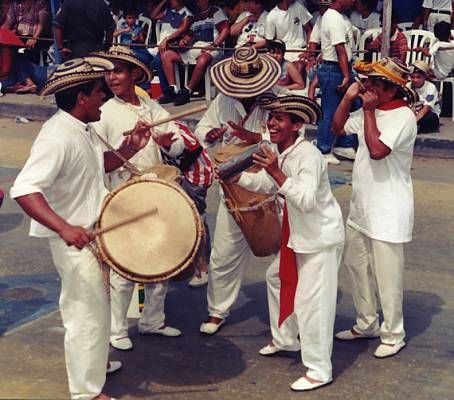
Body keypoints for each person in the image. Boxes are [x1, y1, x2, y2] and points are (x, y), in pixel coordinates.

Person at [10, 56, 154, 400]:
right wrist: (64, 229)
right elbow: (24, 188)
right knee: (85, 314)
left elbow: (95, 168)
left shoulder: (82, 128)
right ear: (81, 98)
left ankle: (94, 366)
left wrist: (129, 148)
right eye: (98, 92)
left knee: (97, 308)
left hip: (93, 233)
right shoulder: (57, 137)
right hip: (76, 240)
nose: (103, 98)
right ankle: (86, 393)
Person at [234, 94, 344, 391]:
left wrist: (274, 170)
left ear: (298, 125)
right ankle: (285, 339)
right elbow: (266, 185)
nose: (271, 123)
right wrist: (234, 177)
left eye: (279, 119)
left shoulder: (309, 156)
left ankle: (320, 369)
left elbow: (306, 200)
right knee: (275, 278)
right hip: (298, 236)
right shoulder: (281, 151)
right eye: (271, 117)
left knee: (313, 305)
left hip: (320, 238)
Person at [332, 57, 418, 359]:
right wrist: (347, 99)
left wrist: (367, 111)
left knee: (387, 275)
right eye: (365, 81)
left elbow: (378, 150)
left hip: (389, 209)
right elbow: (337, 127)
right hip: (362, 207)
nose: (366, 86)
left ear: (390, 89)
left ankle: (394, 334)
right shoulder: (373, 109)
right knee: (356, 267)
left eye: (373, 83)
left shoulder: (404, 116)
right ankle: (366, 323)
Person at [195, 46, 283, 335]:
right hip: (233, 185)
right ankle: (217, 310)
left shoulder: (278, 100)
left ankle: (288, 314)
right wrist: (209, 135)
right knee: (223, 254)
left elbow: (290, 137)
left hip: (269, 184)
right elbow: (202, 129)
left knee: (281, 251)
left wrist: (255, 137)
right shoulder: (224, 100)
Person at [159, 0, 229, 106]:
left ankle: (187, 91)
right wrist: (185, 41)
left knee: (202, 59)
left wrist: (214, 45)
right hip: (195, 47)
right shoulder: (196, 15)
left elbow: (225, 30)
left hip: (213, 47)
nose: (197, 2)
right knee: (166, 55)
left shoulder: (216, 11)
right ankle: (173, 89)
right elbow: (190, 34)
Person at [316, 0, 357, 165]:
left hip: (342, 67)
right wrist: (346, 75)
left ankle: (344, 143)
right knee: (330, 111)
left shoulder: (339, 17)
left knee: (353, 106)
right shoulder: (333, 18)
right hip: (335, 69)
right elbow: (339, 48)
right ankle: (323, 149)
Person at [408, 60, 440, 133]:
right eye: (412, 77)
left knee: (429, 118)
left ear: (424, 77)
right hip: (413, 113)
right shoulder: (409, 85)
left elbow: (425, 109)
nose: (415, 80)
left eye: (418, 77)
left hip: (427, 114)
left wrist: (412, 123)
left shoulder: (431, 87)